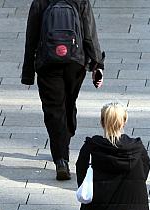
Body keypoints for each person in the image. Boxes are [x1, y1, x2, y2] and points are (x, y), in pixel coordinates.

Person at [21, 0, 105, 180]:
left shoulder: (40, 2)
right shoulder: (80, 1)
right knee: (69, 102)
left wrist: (28, 73)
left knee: (53, 109)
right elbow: (89, 34)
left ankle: (61, 158)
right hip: (75, 61)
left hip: (48, 62)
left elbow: (31, 38)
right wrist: (97, 64)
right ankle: (67, 134)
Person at [77, 102, 150, 210]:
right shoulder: (138, 150)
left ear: (102, 121)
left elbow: (82, 179)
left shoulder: (91, 149)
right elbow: (144, 174)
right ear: (124, 121)